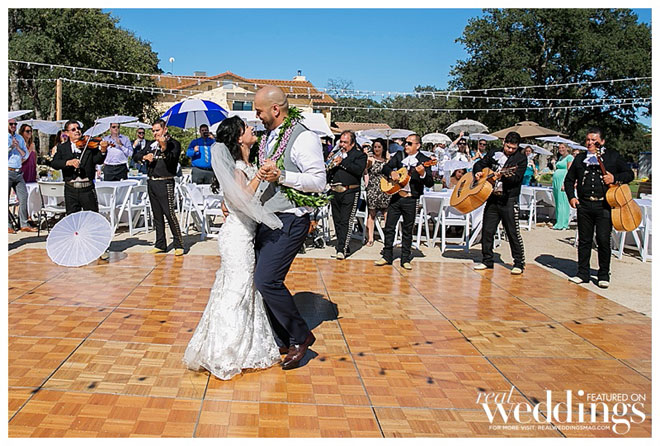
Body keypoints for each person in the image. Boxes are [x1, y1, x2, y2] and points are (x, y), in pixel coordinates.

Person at [183, 116, 282, 380]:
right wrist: (259, 176)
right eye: (247, 128)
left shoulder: (248, 164)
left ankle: (245, 347)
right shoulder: (239, 168)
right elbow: (242, 199)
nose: (252, 129)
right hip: (237, 237)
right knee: (236, 291)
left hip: (246, 234)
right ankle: (224, 352)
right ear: (239, 138)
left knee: (243, 288)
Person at [251, 85, 326, 370]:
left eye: (259, 111)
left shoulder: (303, 137)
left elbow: (318, 181)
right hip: (267, 219)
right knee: (260, 281)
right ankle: (283, 337)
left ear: (275, 109)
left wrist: (283, 176)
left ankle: (301, 336)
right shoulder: (267, 137)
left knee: (267, 280)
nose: (256, 116)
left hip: (291, 219)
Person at [564, 127, 634, 289]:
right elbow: (569, 180)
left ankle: (603, 274)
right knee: (584, 240)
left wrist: (614, 178)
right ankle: (582, 273)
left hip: (604, 205)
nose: (590, 143)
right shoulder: (580, 158)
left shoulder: (612, 156)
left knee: (603, 240)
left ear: (602, 141)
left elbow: (629, 174)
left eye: (594, 140)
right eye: (588, 140)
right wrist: (571, 197)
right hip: (584, 204)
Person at [375, 133, 434, 270]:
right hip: (396, 197)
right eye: (405, 143)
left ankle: (405, 258)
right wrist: (392, 173)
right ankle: (387, 255)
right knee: (389, 227)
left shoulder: (424, 160)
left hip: (411, 199)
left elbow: (430, 182)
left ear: (417, 146)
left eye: (409, 143)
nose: (406, 145)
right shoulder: (400, 156)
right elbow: (385, 167)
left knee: (408, 229)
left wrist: (423, 174)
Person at [473, 131, 528, 274]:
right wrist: (478, 172)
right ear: (504, 142)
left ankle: (519, 263)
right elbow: (480, 164)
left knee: (512, 232)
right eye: (508, 147)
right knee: (487, 230)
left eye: (513, 148)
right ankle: (487, 260)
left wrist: (502, 176)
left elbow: (517, 178)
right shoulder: (493, 152)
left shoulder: (521, 159)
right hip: (492, 197)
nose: (510, 150)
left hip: (509, 199)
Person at [133, 119, 185, 256]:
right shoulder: (150, 144)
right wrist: (145, 156)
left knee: (169, 213)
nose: (155, 133)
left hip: (165, 181)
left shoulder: (173, 144)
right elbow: (136, 155)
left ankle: (178, 243)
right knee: (156, 214)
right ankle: (160, 243)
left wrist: (164, 147)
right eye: (153, 131)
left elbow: (172, 160)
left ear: (165, 129)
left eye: (158, 130)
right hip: (152, 181)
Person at [327, 130, 367, 259]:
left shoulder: (360, 155)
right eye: (341, 142)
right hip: (335, 191)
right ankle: (344, 246)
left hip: (350, 191)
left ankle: (341, 249)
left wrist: (342, 162)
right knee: (337, 220)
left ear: (352, 143)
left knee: (346, 221)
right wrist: (329, 163)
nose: (342, 145)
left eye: (345, 142)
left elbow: (358, 170)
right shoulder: (336, 154)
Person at [8, 118, 37, 233]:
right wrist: (11, 147)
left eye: (15, 124)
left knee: (24, 197)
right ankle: (7, 225)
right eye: (11, 124)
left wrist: (17, 147)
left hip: (18, 171)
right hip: (7, 170)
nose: (13, 126)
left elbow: (25, 155)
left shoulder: (19, 138)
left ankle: (24, 223)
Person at [364, 138, 389, 247]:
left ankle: (388, 237)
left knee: (386, 213)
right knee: (372, 213)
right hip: (373, 188)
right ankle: (370, 238)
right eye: (375, 147)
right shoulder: (371, 159)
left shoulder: (387, 160)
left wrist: (388, 159)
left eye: (379, 147)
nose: (377, 149)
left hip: (385, 188)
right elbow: (365, 168)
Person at [551, 143, 574, 230]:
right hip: (556, 181)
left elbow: (570, 171)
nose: (561, 149)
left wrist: (565, 183)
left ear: (567, 148)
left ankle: (563, 223)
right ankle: (558, 221)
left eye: (563, 147)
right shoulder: (560, 158)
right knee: (557, 201)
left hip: (563, 180)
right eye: (559, 148)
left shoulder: (569, 157)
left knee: (563, 202)